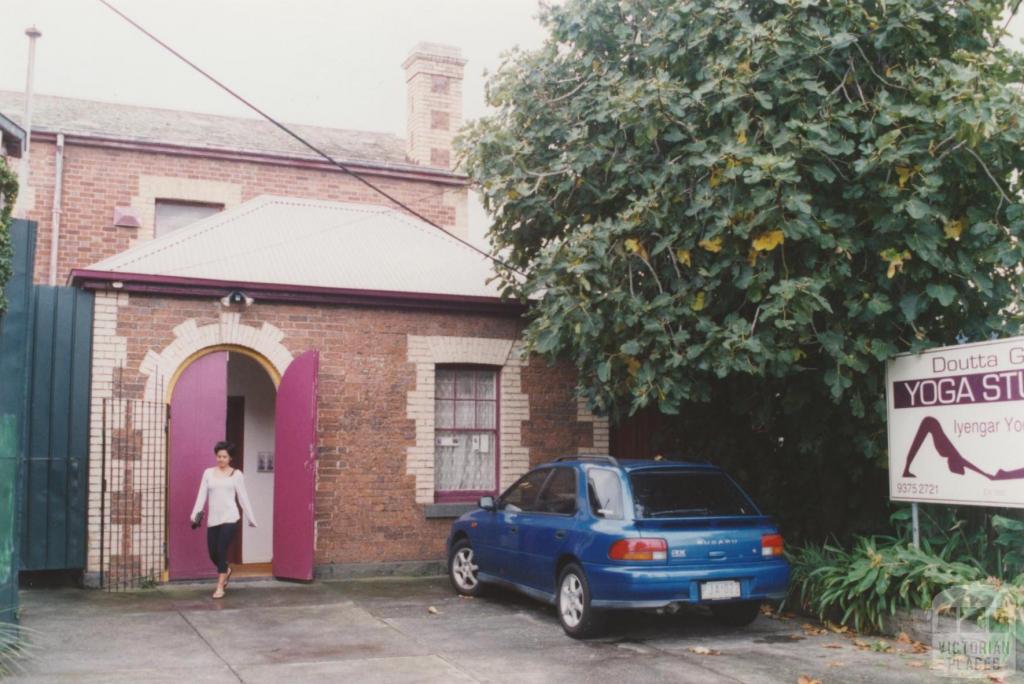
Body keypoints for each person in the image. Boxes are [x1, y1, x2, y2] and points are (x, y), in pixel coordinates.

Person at [190, 441, 257, 599]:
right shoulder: (208, 473)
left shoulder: (237, 474)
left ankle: (220, 586)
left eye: (224, 457)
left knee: (221, 550)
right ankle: (226, 570)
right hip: (214, 519)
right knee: (212, 553)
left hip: (230, 518)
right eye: (219, 456)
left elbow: (243, 498)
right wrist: (195, 515)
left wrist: (251, 518)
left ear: (230, 458)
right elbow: (201, 495)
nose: (220, 459)